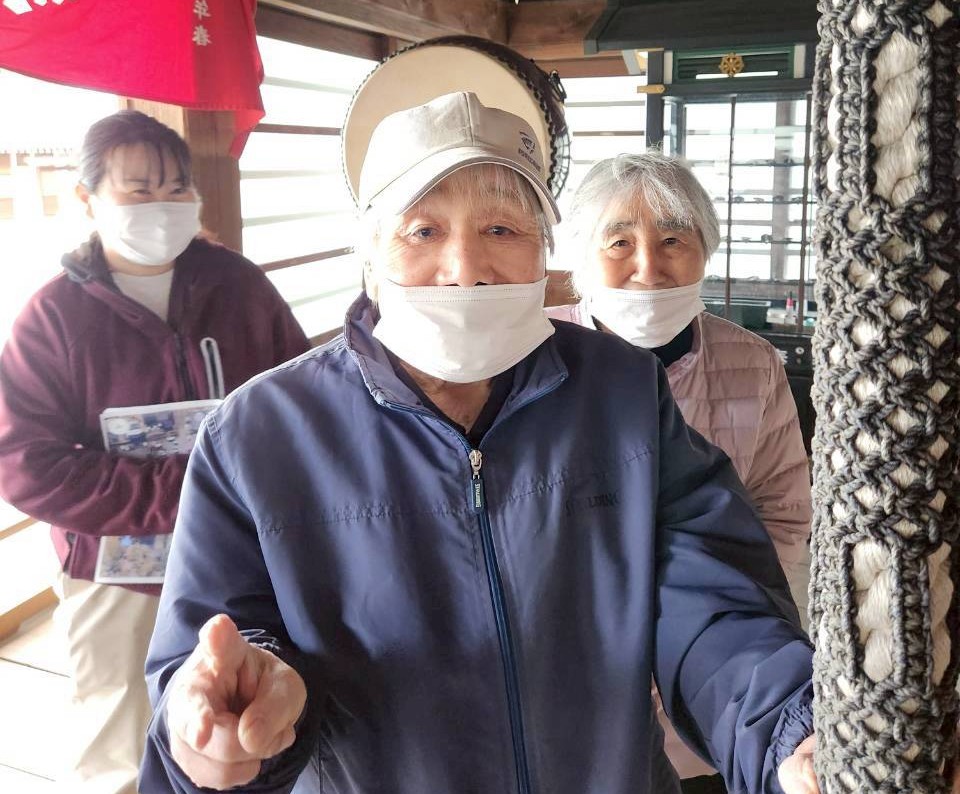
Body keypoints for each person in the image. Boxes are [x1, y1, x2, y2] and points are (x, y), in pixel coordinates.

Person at [139, 92, 817, 794]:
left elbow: (710, 604)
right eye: (423, 231)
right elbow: (214, 661)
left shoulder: (622, 393)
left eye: (500, 228)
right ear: (370, 246)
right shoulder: (259, 434)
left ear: (546, 249)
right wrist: (225, 733)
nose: (466, 268)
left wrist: (791, 731)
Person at [0, 110, 310, 794]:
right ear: (87, 198)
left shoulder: (239, 285)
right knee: (116, 737)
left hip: (244, 552)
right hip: (115, 571)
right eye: (139, 189)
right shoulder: (51, 316)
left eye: (175, 187)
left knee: (240, 720)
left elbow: (300, 395)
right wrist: (186, 490)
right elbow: (22, 461)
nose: (162, 205)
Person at [546, 151, 813, 793]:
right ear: (582, 255)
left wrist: (720, 619)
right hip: (567, 677)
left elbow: (783, 509)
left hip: (720, 687)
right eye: (619, 241)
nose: (648, 265)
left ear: (705, 250)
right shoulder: (534, 354)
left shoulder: (753, 361)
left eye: (673, 239)